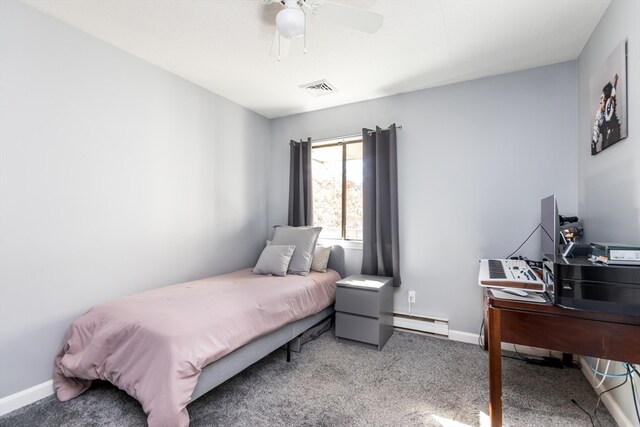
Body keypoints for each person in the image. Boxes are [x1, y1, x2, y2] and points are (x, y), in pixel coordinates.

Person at [592, 74, 621, 154]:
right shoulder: (600, 114)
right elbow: (596, 127)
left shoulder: (609, 106)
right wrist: (594, 142)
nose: (601, 102)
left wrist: (614, 84)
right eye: (600, 100)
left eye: (603, 100)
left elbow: (612, 95)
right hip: (606, 138)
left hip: (612, 133)